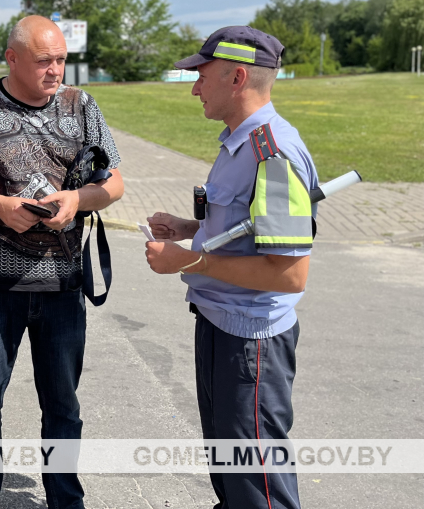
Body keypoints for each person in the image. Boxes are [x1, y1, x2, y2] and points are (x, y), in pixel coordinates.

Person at [0, 15, 125, 509]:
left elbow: (115, 182)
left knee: (63, 406)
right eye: (44, 61)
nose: (55, 70)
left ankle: (65, 500)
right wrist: (1, 207)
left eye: (60, 59)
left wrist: (77, 201)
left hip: (62, 286)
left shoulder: (82, 107)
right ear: (12, 59)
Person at [144, 26, 317, 509]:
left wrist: (191, 260)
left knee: (257, 485)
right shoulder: (240, 143)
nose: (195, 87)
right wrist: (185, 227)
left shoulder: (273, 153)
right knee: (231, 475)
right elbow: (246, 230)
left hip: (251, 344)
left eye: (201, 76)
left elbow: (290, 274)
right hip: (223, 327)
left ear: (237, 77)